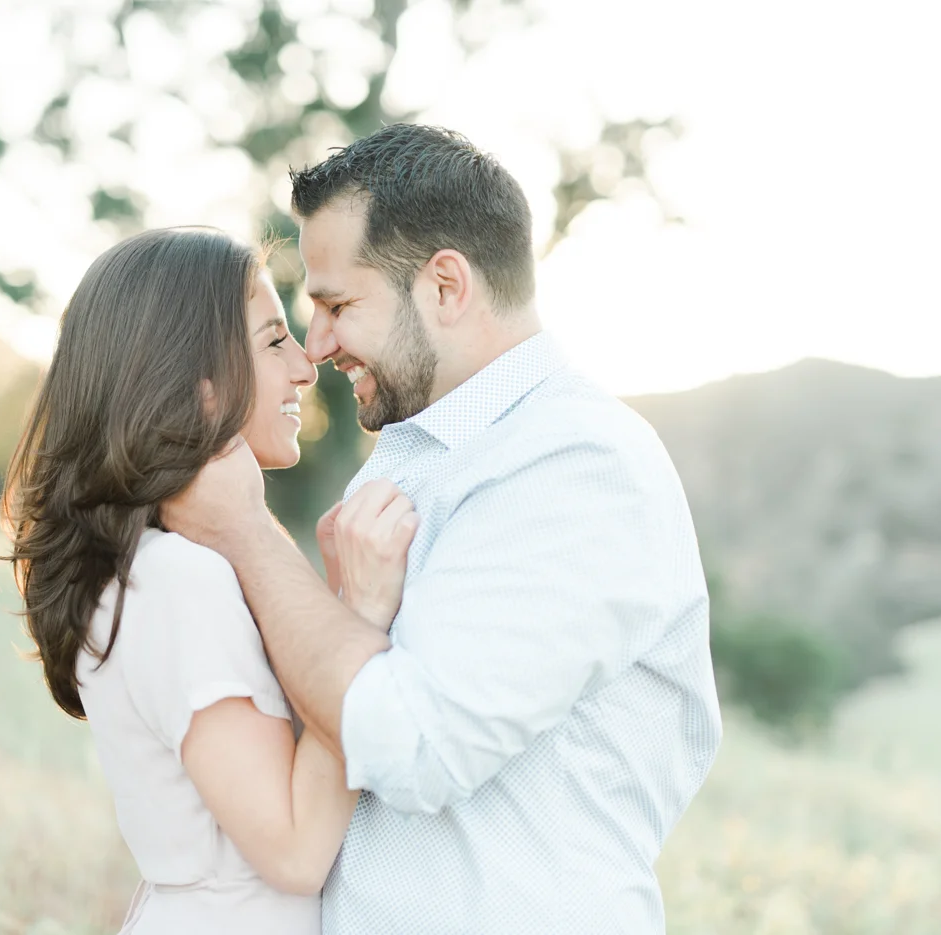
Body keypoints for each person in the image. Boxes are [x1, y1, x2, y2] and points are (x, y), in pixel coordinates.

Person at [161, 124, 724, 934]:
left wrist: (247, 533)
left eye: (337, 304)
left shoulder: (580, 464)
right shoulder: (411, 456)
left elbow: (413, 743)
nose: (316, 345)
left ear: (446, 287)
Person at [0, 226, 416, 934]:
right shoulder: (175, 580)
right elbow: (291, 849)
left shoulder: (164, 566)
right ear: (199, 384)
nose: (306, 368)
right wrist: (364, 615)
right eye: (274, 340)